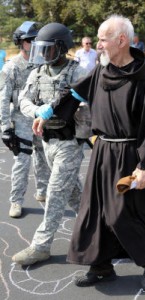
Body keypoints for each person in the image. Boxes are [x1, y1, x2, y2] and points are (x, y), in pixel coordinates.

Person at [32, 14, 145, 290]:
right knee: (93, 211)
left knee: (124, 213)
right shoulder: (102, 70)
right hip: (103, 151)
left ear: (121, 40)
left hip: (130, 155)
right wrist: (46, 113)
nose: (98, 45)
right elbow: (74, 94)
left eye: (103, 39)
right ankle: (101, 266)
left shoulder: (143, 80)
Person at [12, 22, 90, 266]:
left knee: (55, 193)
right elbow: (23, 99)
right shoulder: (37, 72)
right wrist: (37, 110)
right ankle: (98, 228)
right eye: (40, 49)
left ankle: (41, 246)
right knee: (74, 195)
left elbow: (92, 99)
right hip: (47, 143)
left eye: (48, 49)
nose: (43, 54)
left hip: (69, 143)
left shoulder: (77, 73)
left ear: (61, 47)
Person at [0, 21, 50, 218]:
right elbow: (3, 98)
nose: (35, 43)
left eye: (37, 39)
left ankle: (42, 191)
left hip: (40, 119)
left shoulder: (43, 63)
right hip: (20, 120)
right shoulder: (12, 67)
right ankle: (16, 201)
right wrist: (5, 127)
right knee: (22, 162)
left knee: (43, 158)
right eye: (30, 40)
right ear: (21, 42)